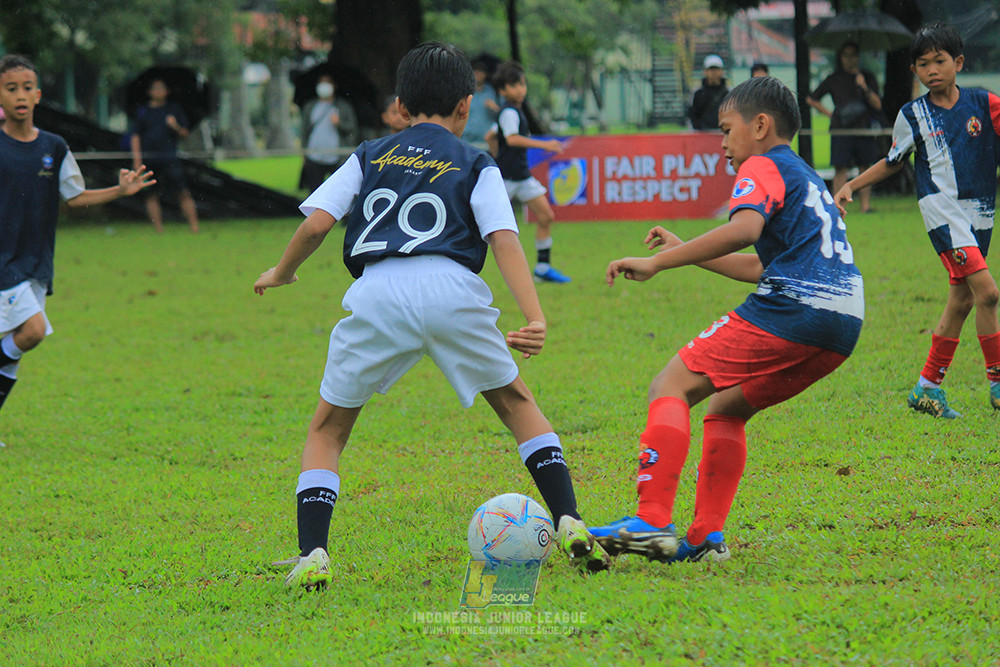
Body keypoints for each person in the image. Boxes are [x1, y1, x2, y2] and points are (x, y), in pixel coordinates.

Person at [254, 42, 610, 591]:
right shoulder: (476, 161)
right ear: (467, 107)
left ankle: (314, 554)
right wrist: (533, 314)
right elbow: (504, 238)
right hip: (454, 289)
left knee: (327, 429)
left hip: (377, 293)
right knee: (517, 405)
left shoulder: (369, 154)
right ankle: (569, 519)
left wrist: (281, 271)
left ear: (400, 107)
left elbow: (317, 226)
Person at [589, 76, 865, 563]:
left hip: (795, 306)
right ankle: (704, 540)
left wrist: (657, 263)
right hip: (842, 323)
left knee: (670, 386)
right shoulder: (806, 177)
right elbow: (760, 264)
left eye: (726, 129)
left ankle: (652, 520)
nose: (722, 144)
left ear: (760, 125)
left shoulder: (761, 164)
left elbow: (743, 230)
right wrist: (686, 252)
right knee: (727, 409)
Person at [835, 23, 1000, 418]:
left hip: (980, 211)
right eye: (923, 64)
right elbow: (892, 162)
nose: (932, 70)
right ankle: (997, 384)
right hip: (942, 214)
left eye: (939, 61)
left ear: (958, 62)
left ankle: (926, 388)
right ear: (914, 71)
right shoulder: (913, 114)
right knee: (989, 293)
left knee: (961, 300)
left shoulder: (985, 104)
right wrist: (851, 185)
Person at [0, 55, 154, 430]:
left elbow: (76, 197)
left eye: (26, 88)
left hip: (36, 263)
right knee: (32, 331)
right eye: (10, 88)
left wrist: (120, 190)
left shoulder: (54, 147)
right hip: (4, 262)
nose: (20, 95)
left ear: (37, 95)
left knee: (13, 349)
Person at [493, 61, 571, 283]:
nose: (520, 89)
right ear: (502, 90)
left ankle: (543, 269)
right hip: (507, 179)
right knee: (485, 228)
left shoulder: (512, 112)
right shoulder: (509, 112)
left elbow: (492, 136)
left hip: (521, 176)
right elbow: (512, 138)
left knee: (546, 215)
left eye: (522, 84)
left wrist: (496, 154)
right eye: (514, 85)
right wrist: (544, 145)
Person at [806, 41, 883, 214]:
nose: (850, 59)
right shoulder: (834, 78)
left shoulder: (867, 77)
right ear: (841, 58)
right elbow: (812, 99)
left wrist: (864, 87)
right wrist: (830, 114)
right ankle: (836, 206)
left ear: (858, 57)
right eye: (846, 55)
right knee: (840, 167)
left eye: (853, 55)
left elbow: (877, 104)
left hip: (863, 128)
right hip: (841, 129)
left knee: (865, 167)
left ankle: (866, 206)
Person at [129, 78, 200, 233]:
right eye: (155, 88)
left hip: (169, 158)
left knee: (182, 192)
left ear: (167, 91)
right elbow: (135, 136)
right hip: (148, 159)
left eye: (162, 88)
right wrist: (137, 160)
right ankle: (158, 228)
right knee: (150, 194)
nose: (159, 91)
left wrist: (175, 126)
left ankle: (194, 226)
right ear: (149, 92)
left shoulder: (174, 109)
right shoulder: (143, 111)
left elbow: (185, 133)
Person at [298, 74, 348, 193]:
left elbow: (351, 129)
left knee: (339, 192)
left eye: (327, 82)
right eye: (321, 83)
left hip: (337, 156)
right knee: (315, 192)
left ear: (334, 86)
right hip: (314, 156)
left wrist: (339, 123)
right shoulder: (310, 106)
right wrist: (304, 152)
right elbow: (305, 130)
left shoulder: (342, 106)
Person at [461, 56, 499, 148]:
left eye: (481, 71)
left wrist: (495, 107)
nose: (478, 74)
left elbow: (503, 114)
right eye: (475, 71)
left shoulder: (492, 92)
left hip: (486, 143)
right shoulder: (463, 92)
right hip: (466, 142)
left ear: (486, 74)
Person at [688, 55, 729, 130]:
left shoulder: (729, 93)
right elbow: (692, 115)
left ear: (721, 71)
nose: (713, 72)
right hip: (703, 135)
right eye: (711, 69)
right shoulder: (697, 93)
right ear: (705, 71)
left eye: (716, 69)